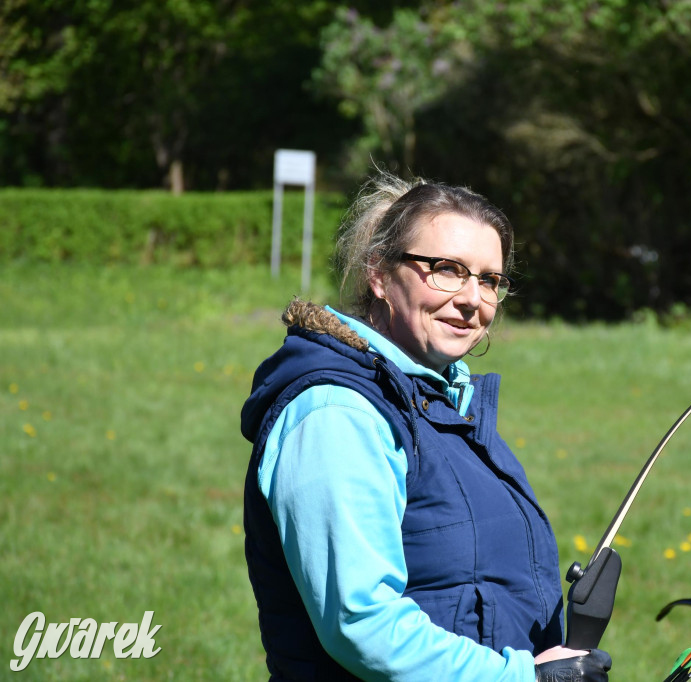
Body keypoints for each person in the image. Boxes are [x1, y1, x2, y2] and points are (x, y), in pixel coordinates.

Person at [240, 171, 613, 682]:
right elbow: (362, 624)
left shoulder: (441, 401)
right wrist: (522, 677)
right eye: (446, 269)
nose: (472, 299)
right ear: (378, 273)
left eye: (489, 280)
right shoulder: (337, 414)